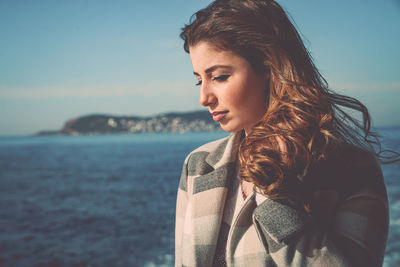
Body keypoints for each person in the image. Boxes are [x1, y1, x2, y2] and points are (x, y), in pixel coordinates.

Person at [175, 0, 390, 266]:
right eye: (199, 79)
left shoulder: (351, 169)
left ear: (268, 66)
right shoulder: (199, 165)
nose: (203, 97)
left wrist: (275, 191)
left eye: (219, 77)